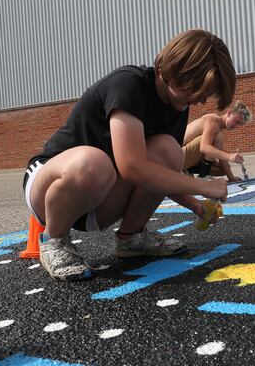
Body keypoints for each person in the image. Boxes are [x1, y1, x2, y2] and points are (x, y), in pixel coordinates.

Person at [22, 29, 235, 281]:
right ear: (176, 71)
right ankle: (54, 240)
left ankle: (131, 238)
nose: (201, 100)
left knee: (168, 151)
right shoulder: (129, 84)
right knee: (94, 163)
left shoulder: (177, 106)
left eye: (206, 94)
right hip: (48, 185)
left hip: (99, 196)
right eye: (197, 89)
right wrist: (204, 186)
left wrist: (196, 205)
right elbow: (132, 167)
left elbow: (160, 174)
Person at [182, 102, 252, 182]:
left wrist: (231, 177)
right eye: (236, 121)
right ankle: (203, 175)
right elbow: (204, 148)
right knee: (217, 137)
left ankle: (188, 170)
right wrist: (229, 156)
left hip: (185, 158)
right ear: (228, 113)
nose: (236, 126)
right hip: (176, 156)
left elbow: (222, 156)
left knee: (222, 169)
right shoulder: (213, 120)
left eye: (240, 124)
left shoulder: (218, 128)